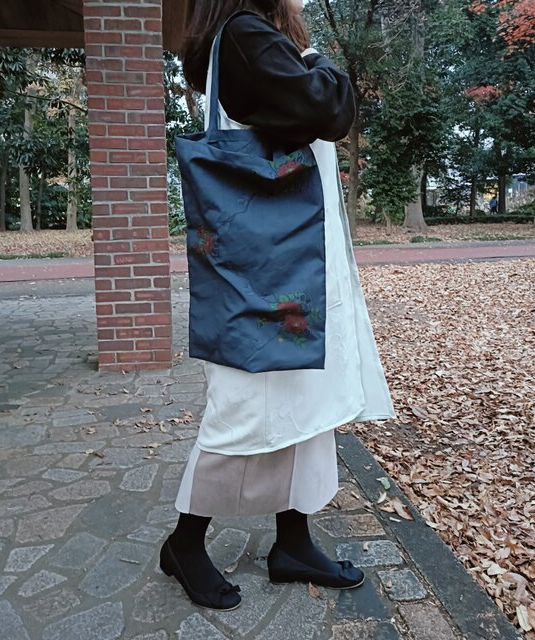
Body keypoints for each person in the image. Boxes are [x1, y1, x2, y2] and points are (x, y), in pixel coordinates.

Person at [159, 0, 395, 611]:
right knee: (244, 408)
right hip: (272, 273)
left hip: (285, 264)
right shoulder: (244, 35)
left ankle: (293, 542)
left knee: (303, 400)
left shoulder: (251, 40)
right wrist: (317, 58)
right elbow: (329, 109)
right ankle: (184, 543)